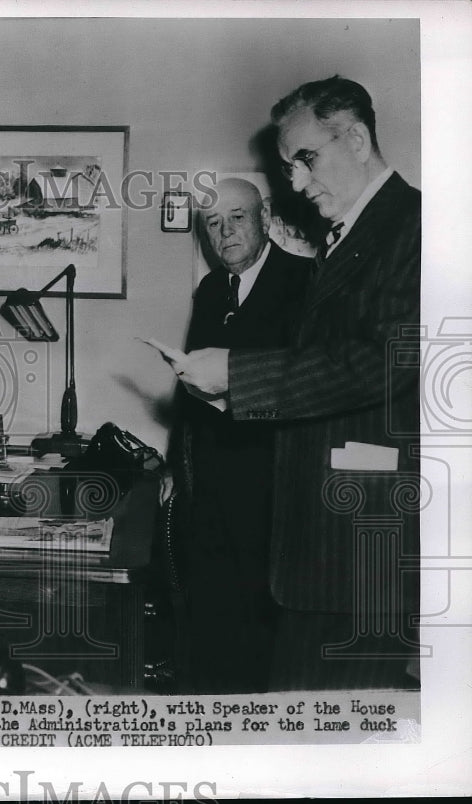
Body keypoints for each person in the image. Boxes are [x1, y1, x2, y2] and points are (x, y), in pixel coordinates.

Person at [173, 77, 420, 690]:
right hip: (318, 540)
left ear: (357, 139)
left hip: (358, 540)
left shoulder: (415, 227)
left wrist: (235, 373)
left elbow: (382, 360)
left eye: (305, 160)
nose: (299, 184)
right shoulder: (350, 237)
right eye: (289, 169)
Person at [171, 178, 310, 693]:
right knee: (211, 625)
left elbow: (310, 383)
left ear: (265, 216)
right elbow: (187, 390)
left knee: (262, 636)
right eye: (213, 222)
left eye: (237, 217)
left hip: (275, 489)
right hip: (209, 487)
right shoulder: (210, 291)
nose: (225, 232)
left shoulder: (306, 281)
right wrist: (172, 466)